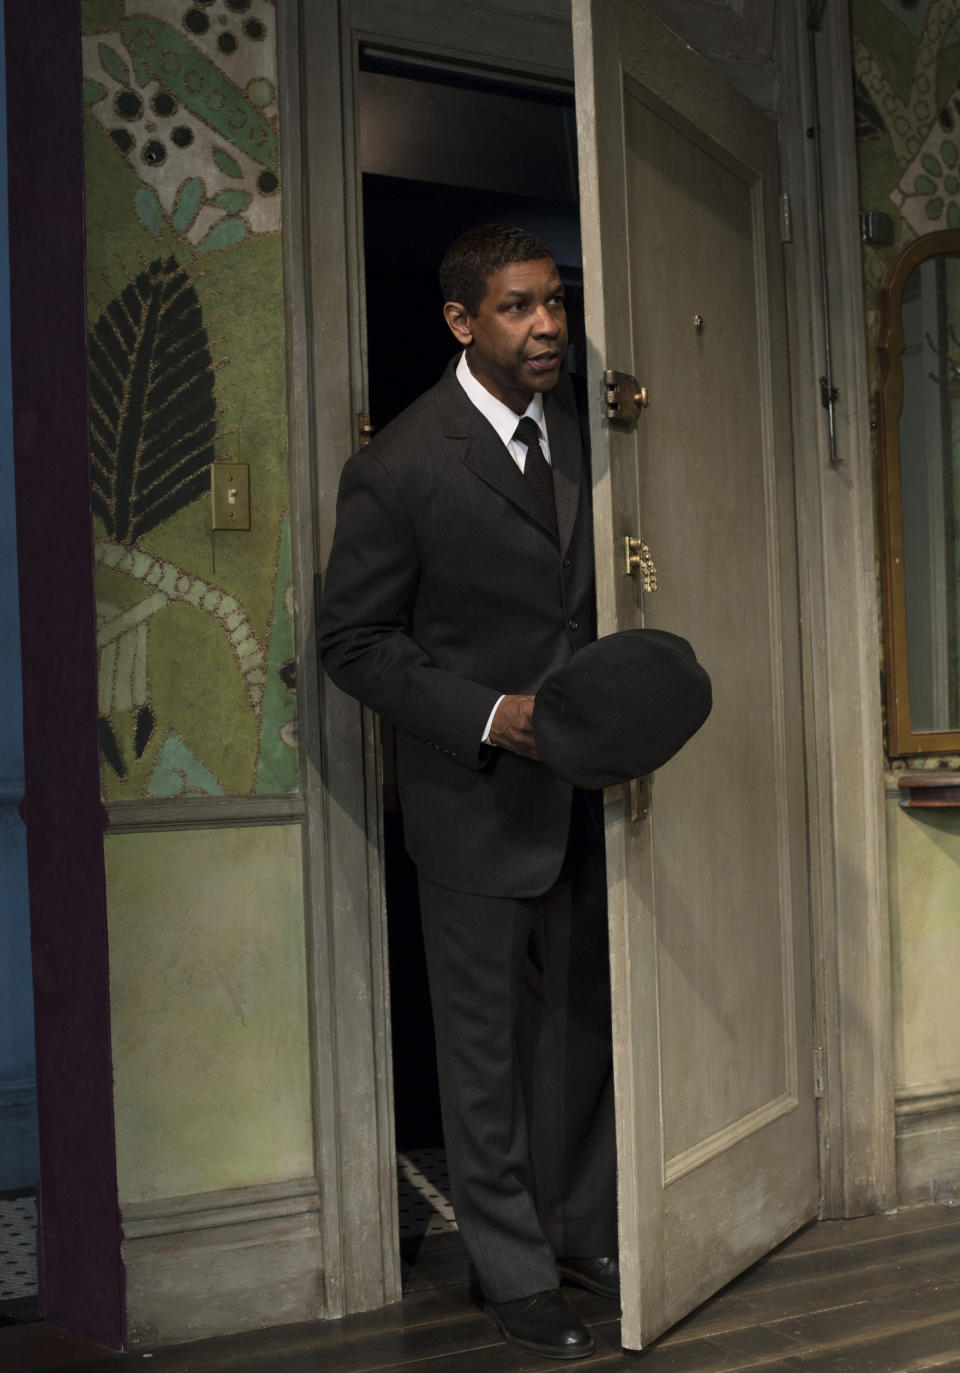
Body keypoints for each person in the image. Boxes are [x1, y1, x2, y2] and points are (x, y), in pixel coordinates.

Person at [318, 224, 617, 1361]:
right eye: (518, 308)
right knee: (486, 1055)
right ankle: (514, 1271)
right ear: (461, 322)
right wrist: (493, 715)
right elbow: (353, 643)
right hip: (475, 802)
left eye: (555, 302)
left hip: (590, 789)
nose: (548, 326)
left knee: (580, 1034)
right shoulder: (399, 464)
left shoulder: (593, 434)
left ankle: (583, 1232)